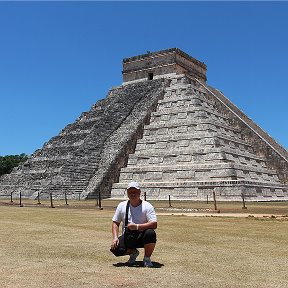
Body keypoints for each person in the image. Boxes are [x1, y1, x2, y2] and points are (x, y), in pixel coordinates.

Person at [110, 181, 157, 267]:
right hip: (129, 237)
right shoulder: (122, 205)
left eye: (135, 192)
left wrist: (137, 226)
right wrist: (115, 238)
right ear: (127, 193)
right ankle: (133, 252)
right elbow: (115, 222)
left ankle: (147, 258)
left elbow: (154, 224)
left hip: (142, 235)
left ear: (139, 192)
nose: (132, 194)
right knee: (115, 249)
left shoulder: (147, 206)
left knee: (151, 233)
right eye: (130, 192)